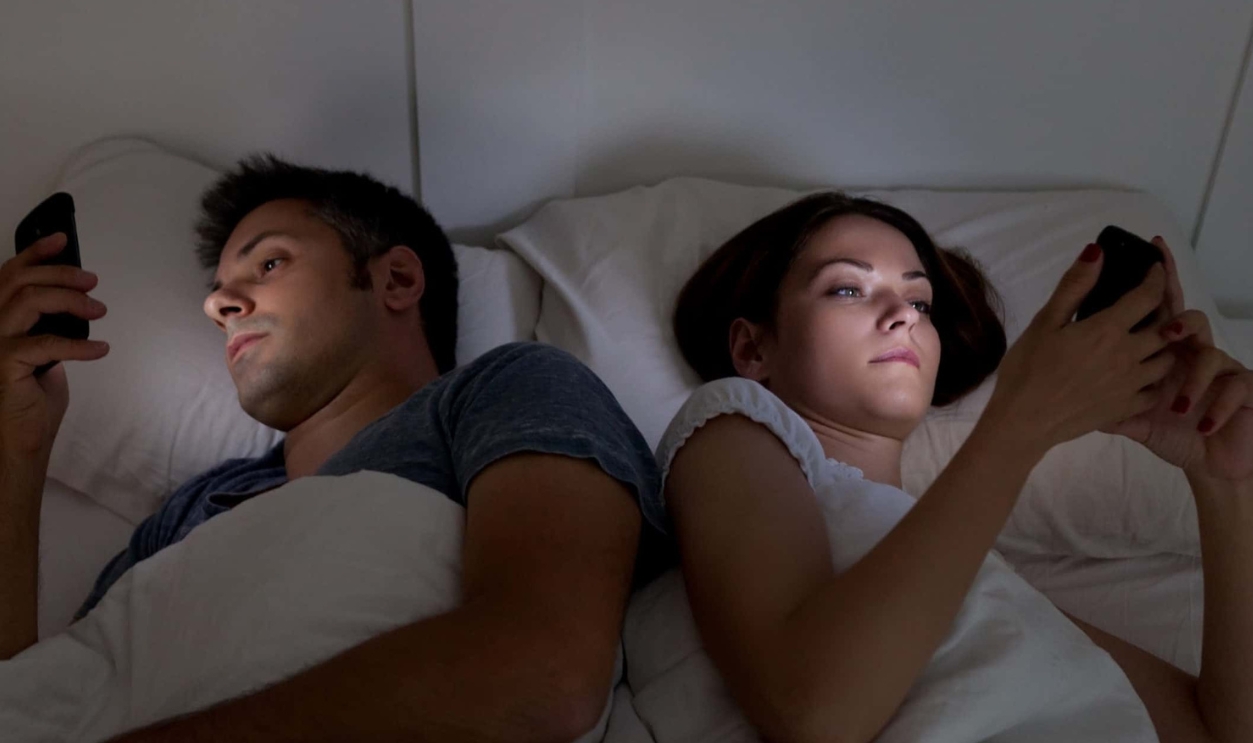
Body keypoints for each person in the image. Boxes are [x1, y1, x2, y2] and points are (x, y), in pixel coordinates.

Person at [0, 156, 666, 742]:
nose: (220, 305)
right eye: (214, 294)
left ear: (397, 280)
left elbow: (544, 675)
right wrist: (18, 449)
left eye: (268, 262)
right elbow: (37, 699)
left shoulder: (506, 390)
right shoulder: (189, 514)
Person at [654, 192, 1252, 742]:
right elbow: (813, 712)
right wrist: (1022, 423)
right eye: (846, 289)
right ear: (752, 349)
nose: (903, 315)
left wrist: (1226, 480)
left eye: (920, 300)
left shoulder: (983, 584)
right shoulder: (729, 425)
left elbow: (1216, 733)